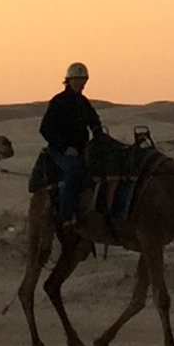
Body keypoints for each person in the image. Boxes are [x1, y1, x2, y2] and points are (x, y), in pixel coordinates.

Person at [40, 62, 108, 230]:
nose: (80, 83)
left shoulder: (83, 102)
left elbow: (94, 121)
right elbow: (45, 129)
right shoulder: (58, 102)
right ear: (69, 80)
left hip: (82, 148)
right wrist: (64, 147)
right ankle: (65, 215)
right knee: (75, 171)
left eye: (83, 79)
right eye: (76, 79)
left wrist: (99, 136)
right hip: (60, 150)